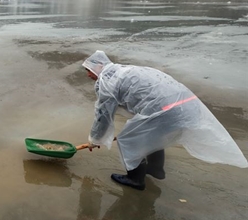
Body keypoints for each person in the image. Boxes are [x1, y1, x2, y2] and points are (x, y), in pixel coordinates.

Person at [83, 50, 247, 190]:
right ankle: (155, 169)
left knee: (129, 139)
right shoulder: (124, 70)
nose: (88, 75)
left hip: (166, 109)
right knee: (153, 136)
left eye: (89, 70)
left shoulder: (107, 81)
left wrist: (95, 139)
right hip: (182, 103)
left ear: (99, 66)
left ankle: (135, 179)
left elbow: (103, 114)